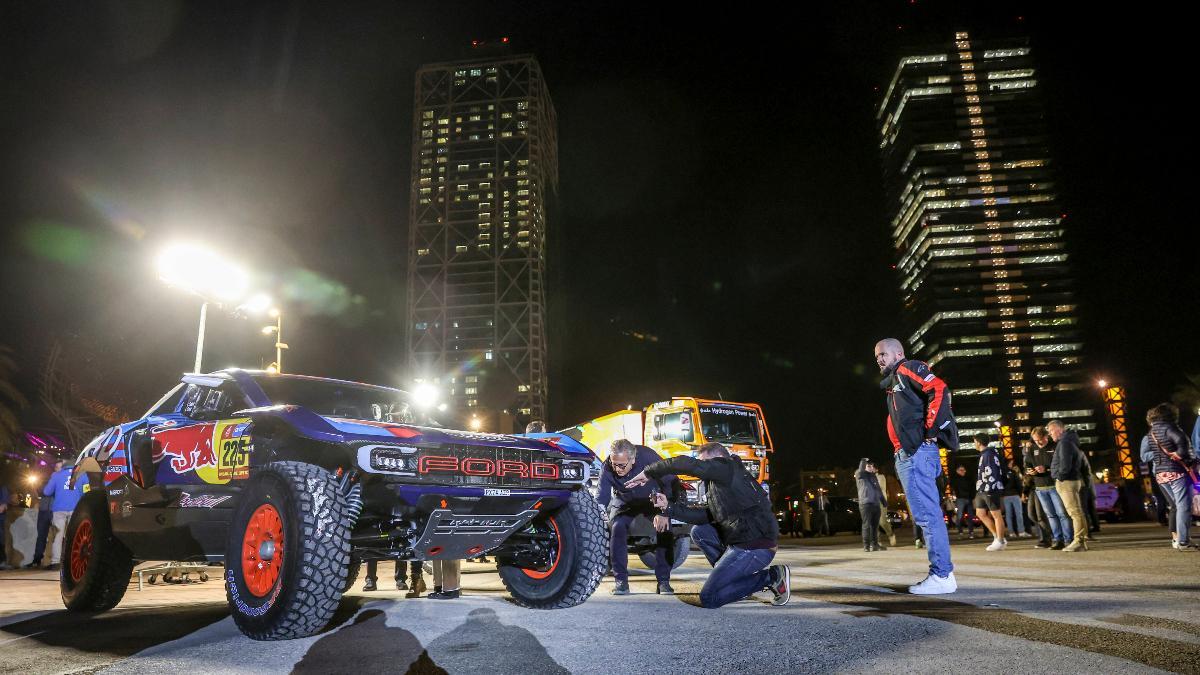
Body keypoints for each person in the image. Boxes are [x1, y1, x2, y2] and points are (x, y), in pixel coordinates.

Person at [625, 442, 791, 608]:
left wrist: (649, 472)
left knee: (709, 598)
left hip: (755, 546)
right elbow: (705, 516)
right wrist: (668, 508)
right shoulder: (719, 484)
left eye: (704, 462)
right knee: (699, 532)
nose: (701, 470)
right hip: (741, 540)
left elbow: (688, 464)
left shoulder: (726, 466)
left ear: (717, 458)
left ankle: (772, 576)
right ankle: (738, 586)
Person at [875, 338, 958, 594]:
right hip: (909, 455)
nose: (879, 359)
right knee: (925, 516)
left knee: (928, 516)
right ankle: (943, 574)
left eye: (883, 354)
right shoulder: (893, 383)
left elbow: (939, 388)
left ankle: (942, 575)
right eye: (876, 356)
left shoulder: (907, 368)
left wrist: (930, 430)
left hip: (917, 453)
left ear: (898, 353)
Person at [597, 439, 681, 595]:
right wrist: (600, 512)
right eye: (614, 464)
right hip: (625, 499)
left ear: (633, 459)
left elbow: (671, 482)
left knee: (664, 529)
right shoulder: (608, 465)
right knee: (617, 528)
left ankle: (663, 581)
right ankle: (621, 581)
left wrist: (664, 512)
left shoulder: (648, 457)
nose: (617, 469)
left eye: (621, 465)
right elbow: (601, 496)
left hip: (652, 497)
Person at [1139, 403, 1196, 551]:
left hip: (1161, 474)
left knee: (1177, 506)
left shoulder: (1152, 433)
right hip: (1176, 472)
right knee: (1183, 506)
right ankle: (1182, 541)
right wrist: (1178, 454)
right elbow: (1181, 442)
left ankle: (1181, 538)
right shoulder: (1171, 428)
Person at [1048, 420, 1089, 552]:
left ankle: (1078, 542)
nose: (1050, 434)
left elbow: (1065, 465)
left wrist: (1059, 476)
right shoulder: (1069, 441)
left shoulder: (1064, 443)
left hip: (1067, 482)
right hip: (1071, 480)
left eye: (1051, 431)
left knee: (1074, 512)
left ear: (1059, 430)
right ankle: (1082, 540)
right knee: (1077, 512)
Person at [1026, 427, 1070, 549]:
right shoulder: (1032, 449)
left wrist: (1046, 469)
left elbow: (1062, 465)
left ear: (1046, 436)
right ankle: (1057, 540)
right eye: (1035, 440)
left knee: (1062, 514)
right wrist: (1030, 470)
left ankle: (1068, 540)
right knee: (1050, 515)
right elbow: (1027, 464)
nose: (1038, 442)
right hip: (1040, 487)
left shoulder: (1055, 446)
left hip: (1055, 485)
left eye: (1040, 440)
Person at [43, 460, 83, 570]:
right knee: (74, 536)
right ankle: (72, 562)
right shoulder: (81, 475)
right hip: (76, 509)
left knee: (58, 536)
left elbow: (46, 492)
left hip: (59, 509)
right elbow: (87, 491)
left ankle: (56, 562)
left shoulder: (56, 475)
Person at [971, 434, 1007, 551]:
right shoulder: (985, 454)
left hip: (990, 488)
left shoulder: (989, 454)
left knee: (996, 515)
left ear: (979, 442)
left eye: (974, 441)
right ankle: (997, 536)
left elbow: (994, 472)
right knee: (980, 513)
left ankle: (1000, 540)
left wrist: (991, 486)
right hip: (982, 488)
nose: (974, 444)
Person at [24, 472, 56, 569]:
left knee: (54, 538)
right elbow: (40, 491)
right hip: (43, 510)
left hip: (55, 510)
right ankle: (37, 558)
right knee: (40, 536)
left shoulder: (61, 482)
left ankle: (51, 561)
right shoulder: (46, 482)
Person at [855, 458, 885, 551]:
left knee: (875, 526)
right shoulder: (860, 475)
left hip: (876, 504)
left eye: (872, 466)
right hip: (865, 504)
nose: (871, 468)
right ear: (864, 467)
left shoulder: (873, 476)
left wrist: (883, 500)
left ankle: (875, 545)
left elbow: (878, 489)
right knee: (866, 525)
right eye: (868, 466)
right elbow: (860, 469)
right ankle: (866, 546)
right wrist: (863, 461)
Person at [1001, 458, 1029, 538]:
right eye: (1011, 463)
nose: (1012, 464)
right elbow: (1018, 485)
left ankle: (1011, 532)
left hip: (1006, 496)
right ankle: (1021, 531)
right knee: (1019, 514)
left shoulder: (1002, 473)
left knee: (1009, 515)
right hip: (1015, 495)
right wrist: (1021, 494)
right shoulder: (1014, 473)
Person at [950, 465, 977, 539]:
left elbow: (973, 487)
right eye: (961, 470)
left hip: (968, 498)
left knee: (970, 516)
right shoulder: (956, 479)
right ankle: (960, 532)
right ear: (957, 471)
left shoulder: (968, 478)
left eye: (964, 470)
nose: (963, 471)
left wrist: (972, 496)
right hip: (961, 499)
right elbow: (955, 489)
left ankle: (970, 532)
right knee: (960, 516)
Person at [876, 470, 897, 547]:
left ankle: (891, 534)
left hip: (881, 502)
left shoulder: (881, 477)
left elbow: (880, 487)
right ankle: (877, 541)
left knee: (882, 521)